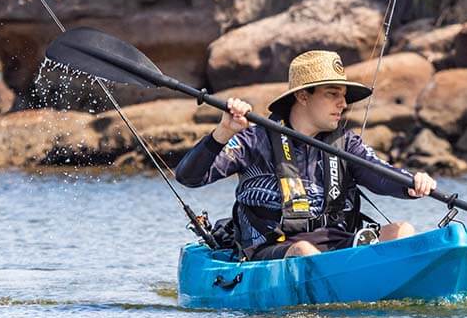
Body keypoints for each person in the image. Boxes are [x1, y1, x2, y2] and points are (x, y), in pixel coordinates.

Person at [175, 50, 436, 260]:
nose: (343, 104)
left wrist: (412, 182)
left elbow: (380, 174)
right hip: (274, 250)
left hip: (337, 246)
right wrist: (223, 131)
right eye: (332, 95)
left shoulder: (347, 144)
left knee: (402, 231)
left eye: (343, 97)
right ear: (302, 96)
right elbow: (189, 177)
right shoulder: (255, 140)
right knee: (303, 251)